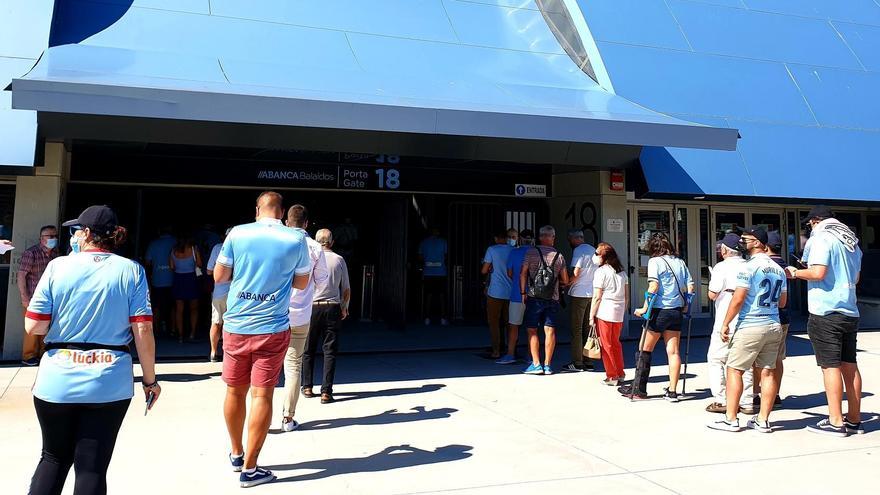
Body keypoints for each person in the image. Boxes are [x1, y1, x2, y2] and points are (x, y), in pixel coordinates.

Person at [24, 205, 159, 494]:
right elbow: (143, 330)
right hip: (109, 379)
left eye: (77, 230)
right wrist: (150, 381)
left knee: (53, 457)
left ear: (86, 233)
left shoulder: (57, 266)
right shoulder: (131, 270)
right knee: (93, 466)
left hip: (57, 376)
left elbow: (33, 326)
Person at [213, 191, 311, 488]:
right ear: (281, 212)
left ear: (258, 209)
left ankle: (235, 452)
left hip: (237, 325)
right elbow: (302, 282)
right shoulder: (296, 239)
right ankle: (251, 468)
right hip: (272, 327)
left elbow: (219, 276)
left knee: (234, 392)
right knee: (262, 395)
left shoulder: (237, 234)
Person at [786, 206, 864, 436]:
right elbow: (856, 277)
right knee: (850, 365)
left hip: (826, 310)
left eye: (810, 224)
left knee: (830, 366)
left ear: (815, 221)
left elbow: (818, 272)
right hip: (849, 309)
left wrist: (795, 272)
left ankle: (835, 421)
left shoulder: (821, 237)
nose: (810, 227)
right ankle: (854, 418)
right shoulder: (851, 241)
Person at [708, 226, 786, 433]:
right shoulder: (778, 268)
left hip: (750, 325)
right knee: (767, 373)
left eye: (747, 238)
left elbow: (739, 298)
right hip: (773, 323)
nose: (743, 241)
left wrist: (725, 323)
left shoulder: (748, 267)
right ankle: (763, 420)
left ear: (758, 242)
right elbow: (783, 301)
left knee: (734, 369)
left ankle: (731, 419)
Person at [619, 232, 694, 401]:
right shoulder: (680, 262)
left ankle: (639, 389)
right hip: (676, 311)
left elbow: (653, 286)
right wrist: (686, 306)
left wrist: (644, 308)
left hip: (659, 311)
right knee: (673, 351)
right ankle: (673, 390)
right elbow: (690, 286)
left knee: (644, 350)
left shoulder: (655, 262)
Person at [281, 205, 328, 430]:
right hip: (300, 314)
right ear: (307, 224)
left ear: (287, 221)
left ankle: (260, 415)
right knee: (293, 367)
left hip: (274, 313)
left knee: (266, 366)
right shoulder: (315, 247)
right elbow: (323, 280)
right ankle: (287, 418)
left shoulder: (279, 242)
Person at [705, 233, 755, 414]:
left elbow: (712, 294)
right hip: (748, 320)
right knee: (745, 362)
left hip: (725, 320)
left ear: (725, 249)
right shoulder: (750, 265)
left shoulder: (721, 267)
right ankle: (747, 401)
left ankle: (721, 399)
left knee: (716, 359)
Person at [301, 229, 351, 404]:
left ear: (315, 241)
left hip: (311, 307)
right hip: (332, 307)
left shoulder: (309, 258)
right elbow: (345, 288)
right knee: (330, 351)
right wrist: (344, 308)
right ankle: (326, 392)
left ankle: (307, 386)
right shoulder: (339, 259)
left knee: (308, 349)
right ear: (332, 242)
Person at [520, 225, 569, 375]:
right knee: (550, 331)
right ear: (553, 238)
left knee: (532, 330)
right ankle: (547, 365)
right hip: (552, 298)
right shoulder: (559, 256)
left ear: (540, 237)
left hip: (534, 297)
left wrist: (523, 292)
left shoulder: (531, 252)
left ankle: (536, 364)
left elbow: (523, 273)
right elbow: (565, 279)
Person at [18, 225, 60, 366]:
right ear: (41, 239)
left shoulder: (56, 254)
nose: (53, 239)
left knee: (45, 328)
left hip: (50, 298)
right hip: (33, 298)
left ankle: (43, 353)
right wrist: (24, 297)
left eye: (55, 236)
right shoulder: (31, 253)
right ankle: (28, 356)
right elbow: (21, 275)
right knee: (31, 328)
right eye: (50, 236)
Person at [588, 242, 629, 385]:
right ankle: (620, 372)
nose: (595, 256)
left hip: (605, 311)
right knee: (615, 343)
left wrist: (591, 315)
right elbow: (626, 296)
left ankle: (612, 375)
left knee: (606, 345)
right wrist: (622, 310)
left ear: (604, 257)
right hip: (618, 312)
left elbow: (597, 297)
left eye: (597, 254)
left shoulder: (600, 272)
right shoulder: (622, 272)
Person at [760, 231, 790, 409]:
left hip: (765, 316)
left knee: (761, 360)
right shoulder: (785, 266)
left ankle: (760, 394)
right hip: (784, 316)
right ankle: (776, 394)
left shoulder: (764, 266)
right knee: (778, 358)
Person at [496, 229, 534, 365]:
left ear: (520, 239)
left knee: (513, 326)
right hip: (534, 296)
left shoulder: (515, 252)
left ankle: (510, 354)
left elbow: (510, 273)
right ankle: (531, 356)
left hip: (517, 294)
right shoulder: (536, 253)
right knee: (532, 328)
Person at [564, 229, 597, 372]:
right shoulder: (594, 250)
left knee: (576, 329)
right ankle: (588, 361)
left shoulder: (578, 251)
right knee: (587, 328)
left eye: (569, 240)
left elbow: (576, 273)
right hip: (592, 293)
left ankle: (577, 362)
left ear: (574, 239)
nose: (569, 243)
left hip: (579, 293)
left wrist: (567, 283)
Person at [481, 229, 515, 359]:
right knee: (510, 323)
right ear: (507, 238)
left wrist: (489, 267)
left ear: (496, 238)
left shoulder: (492, 250)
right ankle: (510, 349)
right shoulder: (513, 250)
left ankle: (496, 350)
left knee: (494, 322)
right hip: (511, 292)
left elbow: (484, 270)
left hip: (495, 292)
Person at [169, 235, 202, 343]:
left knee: (179, 310)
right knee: (194, 309)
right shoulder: (193, 249)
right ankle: (192, 333)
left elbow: (172, 267)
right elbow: (199, 264)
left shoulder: (173, 250)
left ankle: (180, 335)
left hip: (178, 279)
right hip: (191, 279)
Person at [206, 228, 232, 362]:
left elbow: (209, 271)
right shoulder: (241, 249)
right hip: (235, 292)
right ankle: (229, 353)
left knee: (216, 322)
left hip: (219, 292)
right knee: (232, 324)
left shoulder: (217, 248)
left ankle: (213, 352)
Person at [144, 226, 176, 336]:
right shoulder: (175, 242)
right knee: (173, 306)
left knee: (156, 306)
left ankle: (156, 329)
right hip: (173, 279)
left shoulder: (153, 244)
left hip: (157, 279)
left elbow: (148, 262)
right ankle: (173, 329)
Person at [419, 227, 449, 326]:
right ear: (438, 232)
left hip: (428, 272)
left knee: (428, 295)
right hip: (440, 272)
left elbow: (420, 257)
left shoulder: (424, 242)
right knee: (441, 295)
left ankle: (427, 318)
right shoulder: (443, 242)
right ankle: (443, 318)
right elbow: (445, 255)